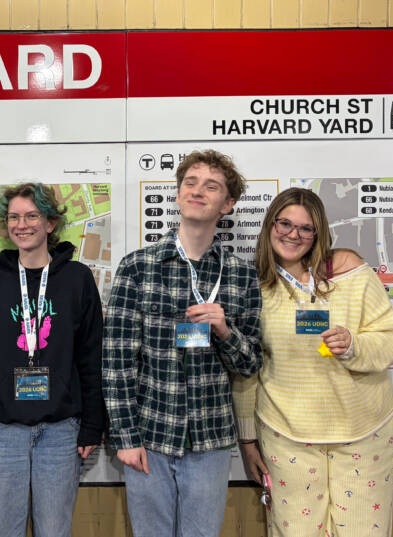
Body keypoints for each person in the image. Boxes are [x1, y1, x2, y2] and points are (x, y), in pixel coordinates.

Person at [103, 149, 263, 537]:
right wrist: (125, 438)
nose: (197, 191)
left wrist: (225, 331)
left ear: (227, 204)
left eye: (211, 186)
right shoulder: (137, 266)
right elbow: (116, 363)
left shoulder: (241, 275)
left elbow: (251, 362)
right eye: (190, 182)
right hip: (149, 437)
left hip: (210, 441)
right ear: (177, 194)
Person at [234, 187, 393, 537]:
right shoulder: (254, 288)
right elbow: (248, 369)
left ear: (318, 233)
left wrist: (354, 344)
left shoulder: (349, 270)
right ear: (269, 226)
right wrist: (248, 440)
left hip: (363, 431)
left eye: (305, 228)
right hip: (288, 434)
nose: (293, 235)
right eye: (284, 223)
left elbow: (390, 339)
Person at [0, 183, 105, 537]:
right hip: (1, 428)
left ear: (50, 223)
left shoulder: (77, 278)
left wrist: (92, 424)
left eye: (31, 216)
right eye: (13, 217)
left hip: (61, 429)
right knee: (2, 530)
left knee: (54, 531)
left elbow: (91, 355)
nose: (21, 225)